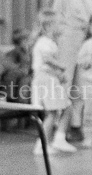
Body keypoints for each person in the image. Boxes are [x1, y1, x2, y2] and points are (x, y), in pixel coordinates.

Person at [52, 0, 92, 143]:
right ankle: (58, 128)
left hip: (85, 39)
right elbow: (55, 17)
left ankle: (75, 125)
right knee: (66, 83)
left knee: (81, 85)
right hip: (68, 38)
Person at [30, 9, 75, 154]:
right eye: (60, 24)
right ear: (49, 26)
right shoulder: (43, 42)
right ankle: (41, 145)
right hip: (45, 81)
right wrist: (61, 68)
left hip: (50, 79)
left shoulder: (50, 42)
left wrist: (59, 76)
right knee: (52, 113)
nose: (62, 27)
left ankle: (59, 138)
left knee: (67, 107)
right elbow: (46, 60)